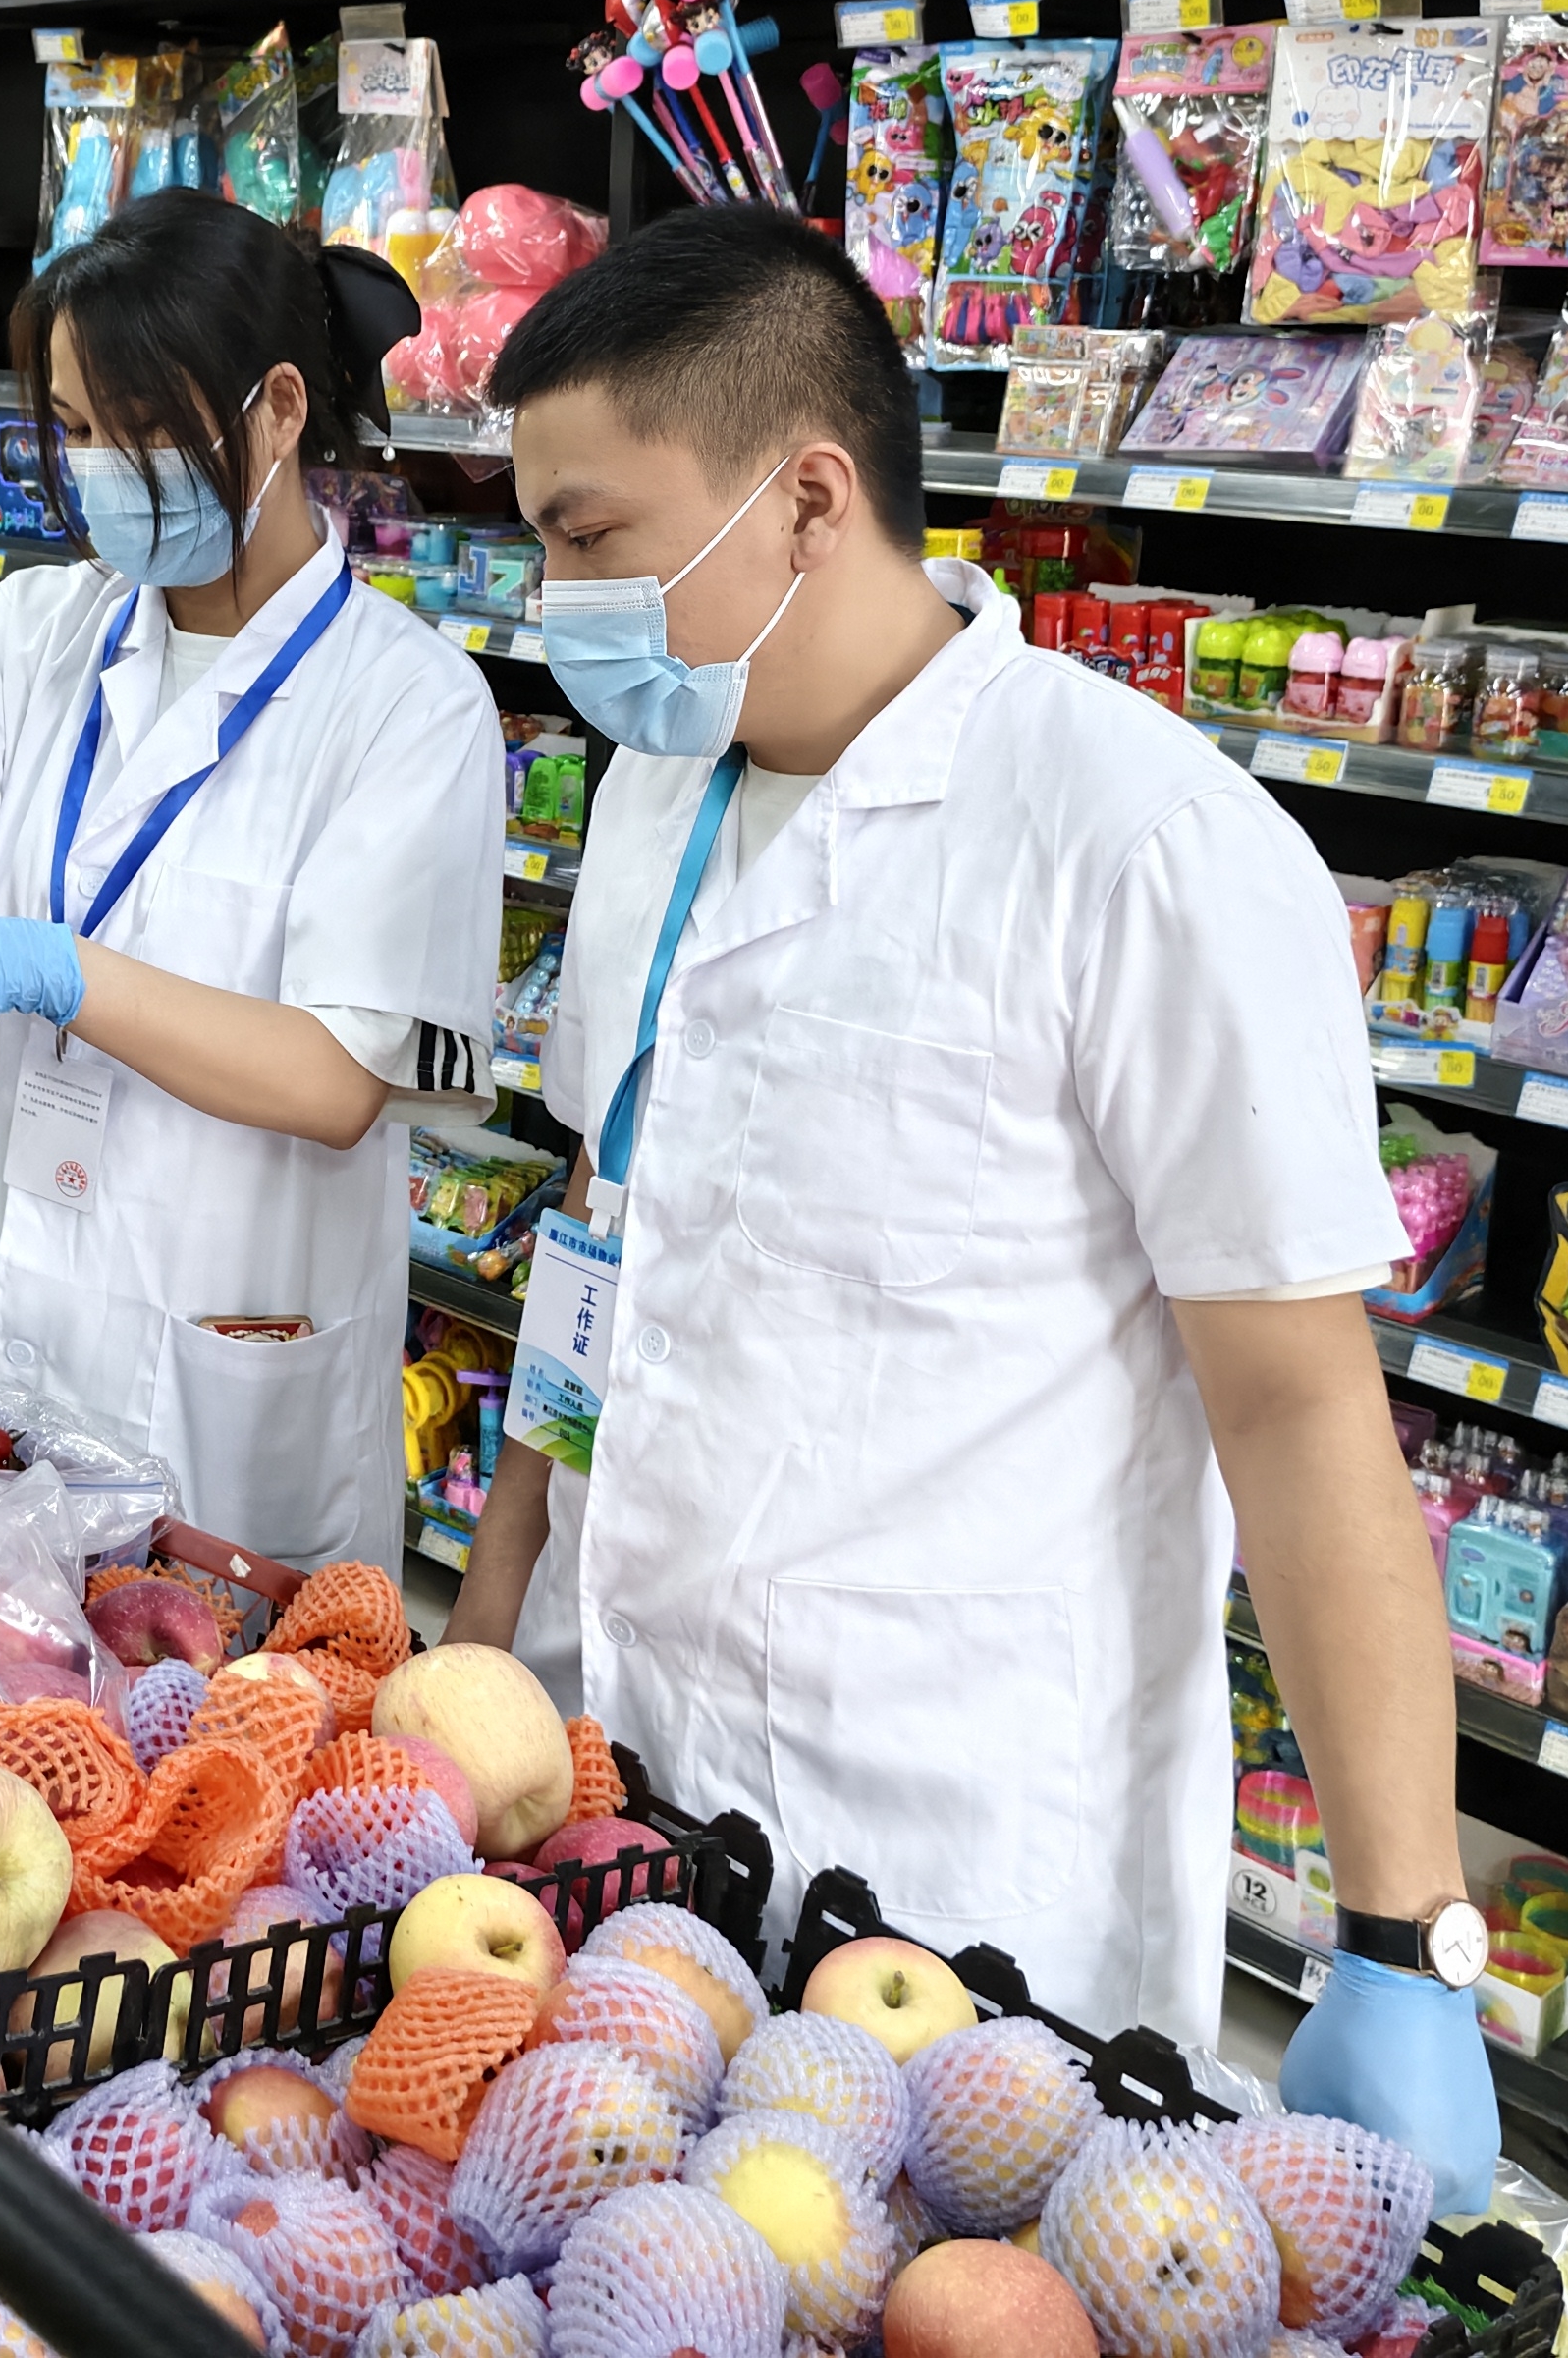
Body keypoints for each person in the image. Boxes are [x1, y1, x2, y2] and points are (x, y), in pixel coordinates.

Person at [435, 208, 1497, 2201]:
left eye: (586, 537)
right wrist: (490, 1629)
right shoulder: (657, 796)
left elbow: (1295, 1404)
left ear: (806, 497)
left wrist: (1402, 1935)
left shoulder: (1142, 843)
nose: (552, 596)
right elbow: (597, 1224)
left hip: (961, 1858)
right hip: (627, 1772)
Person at [0, 191, 502, 1579]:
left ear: (276, 410)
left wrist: (49, 969)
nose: (99, 470)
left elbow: (336, 1079)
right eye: (76, 428)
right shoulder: (30, 632)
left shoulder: (409, 705)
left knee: (203, 1696)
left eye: (139, 426)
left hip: (216, 1377)